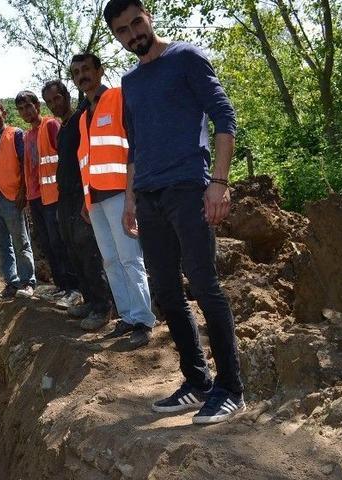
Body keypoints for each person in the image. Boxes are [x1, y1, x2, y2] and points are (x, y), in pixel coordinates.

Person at [104, 0, 245, 424]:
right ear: (117, 36)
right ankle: (197, 381)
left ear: (148, 15)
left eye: (136, 23)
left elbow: (225, 119)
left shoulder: (187, 57)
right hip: (148, 195)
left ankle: (230, 388)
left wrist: (218, 184)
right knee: (166, 291)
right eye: (123, 31)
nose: (133, 35)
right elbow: (135, 144)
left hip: (188, 188)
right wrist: (129, 198)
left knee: (204, 284)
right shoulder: (129, 80)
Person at [71, 53, 156, 349]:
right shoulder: (83, 116)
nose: (82, 75)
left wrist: (133, 196)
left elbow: (134, 146)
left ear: (99, 71)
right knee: (110, 260)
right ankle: (128, 316)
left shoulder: (118, 98)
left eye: (86, 69)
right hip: (94, 199)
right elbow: (87, 160)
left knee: (130, 258)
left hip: (121, 193)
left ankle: (144, 320)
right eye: (76, 72)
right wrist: (86, 198)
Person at [41, 80, 112, 326]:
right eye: (49, 102)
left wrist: (86, 194)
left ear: (67, 96)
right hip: (65, 197)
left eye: (57, 99)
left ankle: (103, 307)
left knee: (88, 249)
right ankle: (89, 300)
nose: (53, 105)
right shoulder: (64, 128)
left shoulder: (82, 120)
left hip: (81, 194)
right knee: (72, 249)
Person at [14, 90, 81, 308]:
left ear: (37, 106)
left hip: (53, 195)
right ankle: (61, 286)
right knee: (48, 245)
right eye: (21, 109)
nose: (25, 112)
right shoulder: (27, 135)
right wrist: (25, 195)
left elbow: (65, 158)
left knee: (59, 242)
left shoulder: (50, 126)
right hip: (35, 197)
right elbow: (28, 168)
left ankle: (74, 289)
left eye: (28, 106)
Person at [0, 100, 36, 299]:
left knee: (20, 241)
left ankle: (27, 281)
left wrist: (23, 191)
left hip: (12, 196)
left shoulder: (16, 134)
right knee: (1, 244)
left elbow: (24, 164)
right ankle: (12, 281)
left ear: (3, 113)